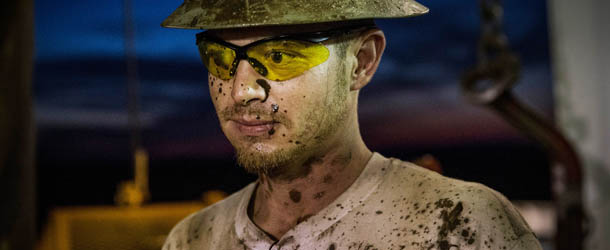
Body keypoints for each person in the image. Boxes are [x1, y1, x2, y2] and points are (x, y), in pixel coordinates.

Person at [160, 0, 542, 249]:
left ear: (361, 61)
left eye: (280, 55)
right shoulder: (193, 240)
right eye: (219, 57)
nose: (242, 89)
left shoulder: (458, 226)